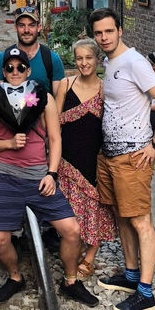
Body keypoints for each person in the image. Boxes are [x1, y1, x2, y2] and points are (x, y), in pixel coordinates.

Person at [0, 47, 98, 307]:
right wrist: (9, 144)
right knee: (0, 240)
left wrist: (52, 174)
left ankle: (70, 281)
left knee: (71, 230)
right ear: (3, 71)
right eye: (9, 68)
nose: (14, 72)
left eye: (19, 67)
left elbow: (55, 139)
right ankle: (14, 276)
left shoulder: (43, 98)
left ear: (28, 70)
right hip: (4, 175)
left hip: (38, 176)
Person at [89, 8, 155, 310]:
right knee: (122, 217)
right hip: (110, 155)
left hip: (133, 156)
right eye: (98, 33)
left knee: (141, 221)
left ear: (120, 30)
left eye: (109, 31)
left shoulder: (134, 62)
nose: (104, 37)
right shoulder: (110, 61)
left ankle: (146, 294)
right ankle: (130, 275)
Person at [54, 39, 117, 279]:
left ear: (97, 59)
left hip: (94, 158)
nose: (84, 63)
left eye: (88, 58)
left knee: (95, 209)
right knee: (72, 211)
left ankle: (89, 257)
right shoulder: (65, 85)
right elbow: (54, 123)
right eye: (79, 58)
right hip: (67, 160)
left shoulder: (105, 89)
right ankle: (75, 248)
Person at [0, 5, 65, 95]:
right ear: (15, 27)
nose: (26, 30)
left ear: (39, 27)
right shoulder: (2, 59)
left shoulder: (52, 59)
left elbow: (58, 101)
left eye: (31, 25)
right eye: (22, 25)